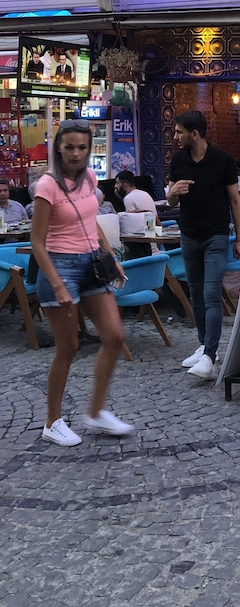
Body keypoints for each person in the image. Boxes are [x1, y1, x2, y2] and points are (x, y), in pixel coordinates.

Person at [30, 118, 131, 447]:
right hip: (59, 266)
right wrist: (57, 284)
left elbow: (92, 222)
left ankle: (96, 412)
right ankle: (52, 422)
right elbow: (36, 242)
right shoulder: (47, 185)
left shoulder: (89, 178)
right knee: (69, 347)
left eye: (82, 147)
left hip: (91, 264)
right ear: (59, 148)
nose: (76, 153)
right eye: (70, 147)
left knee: (114, 336)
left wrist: (111, 258)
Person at [167, 110, 240, 380]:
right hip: (188, 234)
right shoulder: (179, 160)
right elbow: (170, 200)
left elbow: (235, 201)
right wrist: (173, 193)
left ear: (195, 134)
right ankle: (204, 346)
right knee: (196, 293)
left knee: (211, 294)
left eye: (179, 132)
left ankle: (210, 356)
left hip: (216, 235)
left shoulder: (222, 160)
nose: (176, 137)